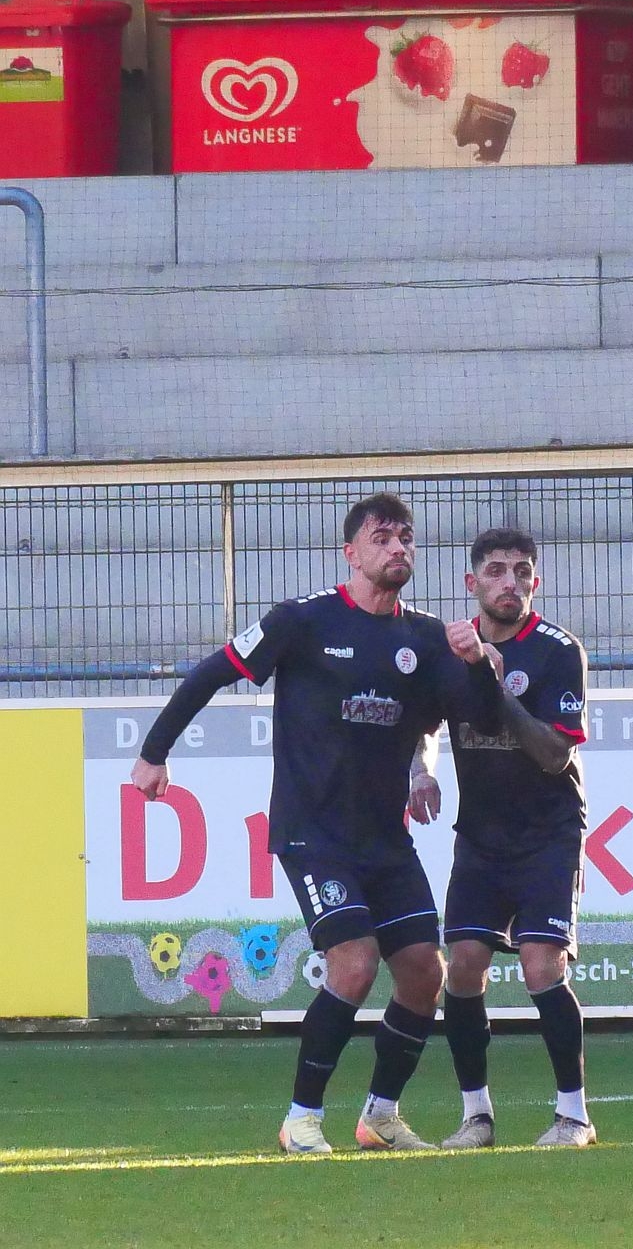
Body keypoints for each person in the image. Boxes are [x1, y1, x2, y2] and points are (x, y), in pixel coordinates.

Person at [130, 492, 502, 1155]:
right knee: (354, 963)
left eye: (406, 538)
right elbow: (211, 673)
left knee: (425, 972)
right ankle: (301, 1118)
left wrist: (478, 668)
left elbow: (474, 718)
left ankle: (380, 1115)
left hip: (385, 839)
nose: (398, 548)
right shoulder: (302, 620)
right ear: (350, 552)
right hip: (313, 833)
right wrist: (153, 753)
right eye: (382, 537)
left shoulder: (425, 639)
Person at [407, 527, 595, 1148]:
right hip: (481, 838)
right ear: (472, 583)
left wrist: (493, 681)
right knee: (461, 968)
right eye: (495, 571)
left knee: (543, 965)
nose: (509, 582)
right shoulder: (450, 649)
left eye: (521, 571)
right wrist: (422, 773)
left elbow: (554, 754)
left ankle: (574, 1116)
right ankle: (476, 1117)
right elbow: (425, 725)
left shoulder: (558, 651)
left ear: (536, 582)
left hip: (548, 834)